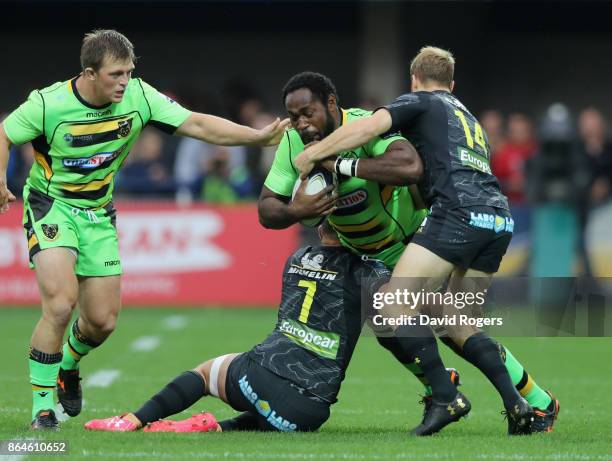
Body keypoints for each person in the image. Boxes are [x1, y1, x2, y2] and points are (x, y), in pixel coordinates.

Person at [0, 29, 289, 430]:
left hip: (98, 213)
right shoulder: (48, 103)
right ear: (89, 73)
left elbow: (196, 124)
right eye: (116, 74)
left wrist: (255, 138)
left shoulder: (139, 96)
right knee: (61, 304)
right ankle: (43, 407)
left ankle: (68, 364)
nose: (124, 81)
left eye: (129, 72)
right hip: (52, 207)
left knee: (102, 321)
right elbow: (4, 134)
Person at [295, 47, 559, 435]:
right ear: (452, 84)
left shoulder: (419, 101)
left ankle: (448, 396)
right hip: (498, 218)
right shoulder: (467, 116)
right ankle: (528, 407)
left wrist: (319, 154)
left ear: (414, 80)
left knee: (389, 307)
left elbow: (369, 126)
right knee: (458, 322)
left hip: (458, 214)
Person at [259, 71, 465, 435]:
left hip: (413, 244)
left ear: (332, 104)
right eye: (294, 117)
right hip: (364, 256)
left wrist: (340, 164)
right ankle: (444, 387)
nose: (302, 124)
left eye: (309, 113)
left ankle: (526, 399)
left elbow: (410, 167)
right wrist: (296, 212)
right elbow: (266, 208)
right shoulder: (292, 144)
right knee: (387, 330)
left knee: (455, 330)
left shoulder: (365, 127)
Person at [83, 221, 392, 433]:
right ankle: (216, 428)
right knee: (274, 411)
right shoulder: (366, 273)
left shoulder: (297, 256)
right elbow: (395, 313)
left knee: (205, 374)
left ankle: (132, 420)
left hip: (261, 379)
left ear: (320, 227)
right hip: (308, 414)